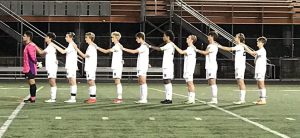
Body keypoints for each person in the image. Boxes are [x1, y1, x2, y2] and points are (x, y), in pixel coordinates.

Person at [218, 33, 247, 104]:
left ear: (239, 38)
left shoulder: (240, 46)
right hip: (239, 66)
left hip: (240, 66)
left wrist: (219, 46)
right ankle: (242, 99)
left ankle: (242, 99)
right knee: (239, 82)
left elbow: (228, 49)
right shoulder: (240, 46)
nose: (234, 38)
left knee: (241, 82)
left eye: (236, 37)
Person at [97, 31, 124, 104]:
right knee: (117, 81)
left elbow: (106, 51)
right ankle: (119, 97)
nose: (111, 38)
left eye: (112, 37)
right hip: (117, 66)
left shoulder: (117, 46)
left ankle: (119, 98)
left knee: (117, 81)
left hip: (117, 66)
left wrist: (96, 47)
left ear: (116, 38)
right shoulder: (117, 46)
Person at [122, 32, 149, 104]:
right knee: (140, 82)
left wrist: (123, 48)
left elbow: (134, 52)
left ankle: (144, 99)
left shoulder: (144, 46)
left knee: (143, 82)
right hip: (141, 66)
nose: (136, 40)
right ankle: (142, 98)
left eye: (137, 38)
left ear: (140, 38)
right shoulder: (143, 46)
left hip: (142, 66)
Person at [149, 30, 175, 104]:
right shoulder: (170, 44)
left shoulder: (169, 44)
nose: (163, 37)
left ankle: (169, 99)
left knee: (167, 80)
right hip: (167, 65)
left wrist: (150, 46)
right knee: (166, 81)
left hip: (168, 66)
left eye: (164, 36)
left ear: (168, 37)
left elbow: (159, 49)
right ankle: (167, 98)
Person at [52, 32, 78, 103]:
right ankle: (72, 98)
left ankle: (73, 98)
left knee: (72, 81)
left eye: (66, 37)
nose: (65, 38)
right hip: (71, 65)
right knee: (71, 81)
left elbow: (63, 51)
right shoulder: (71, 44)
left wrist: (54, 45)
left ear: (71, 37)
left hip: (71, 66)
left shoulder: (72, 44)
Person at [195, 31, 219, 104]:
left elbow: (205, 53)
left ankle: (215, 99)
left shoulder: (213, 46)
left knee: (212, 81)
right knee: (210, 82)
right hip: (209, 66)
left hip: (212, 66)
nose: (207, 37)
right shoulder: (210, 45)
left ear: (212, 36)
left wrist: (196, 49)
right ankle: (213, 97)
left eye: (208, 36)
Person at [172, 35, 197, 104]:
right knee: (188, 83)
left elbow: (181, 52)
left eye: (188, 38)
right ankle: (190, 99)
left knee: (190, 83)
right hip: (187, 68)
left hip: (189, 69)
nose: (186, 38)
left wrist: (174, 45)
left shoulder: (190, 48)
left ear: (191, 40)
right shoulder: (190, 48)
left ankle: (192, 99)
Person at [243, 37, 268, 105]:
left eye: (258, 42)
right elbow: (253, 54)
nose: (257, 43)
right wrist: (246, 50)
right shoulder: (260, 51)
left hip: (261, 69)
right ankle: (261, 98)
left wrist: (245, 46)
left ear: (262, 43)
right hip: (258, 69)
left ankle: (263, 99)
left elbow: (252, 52)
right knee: (258, 84)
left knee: (261, 83)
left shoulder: (262, 50)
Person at [35, 32, 59, 103]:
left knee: (52, 81)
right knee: (51, 81)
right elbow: (43, 54)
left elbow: (41, 52)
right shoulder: (50, 46)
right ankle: (53, 98)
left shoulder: (51, 45)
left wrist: (34, 45)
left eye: (46, 37)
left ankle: (53, 98)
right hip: (51, 66)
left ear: (50, 38)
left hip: (52, 66)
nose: (45, 38)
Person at [75, 32, 98, 103]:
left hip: (91, 67)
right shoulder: (91, 46)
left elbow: (84, 56)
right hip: (90, 67)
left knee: (91, 81)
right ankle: (91, 97)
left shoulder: (91, 47)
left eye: (86, 37)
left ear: (90, 38)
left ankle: (93, 98)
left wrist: (76, 49)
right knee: (90, 81)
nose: (85, 39)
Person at [22, 31, 39, 103]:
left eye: (24, 36)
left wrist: (37, 63)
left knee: (32, 83)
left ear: (28, 37)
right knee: (30, 83)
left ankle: (33, 98)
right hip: (27, 67)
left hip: (30, 67)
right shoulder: (27, 45)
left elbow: (32, 57)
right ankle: (32, 97)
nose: (23, 37)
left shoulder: (31, 45)